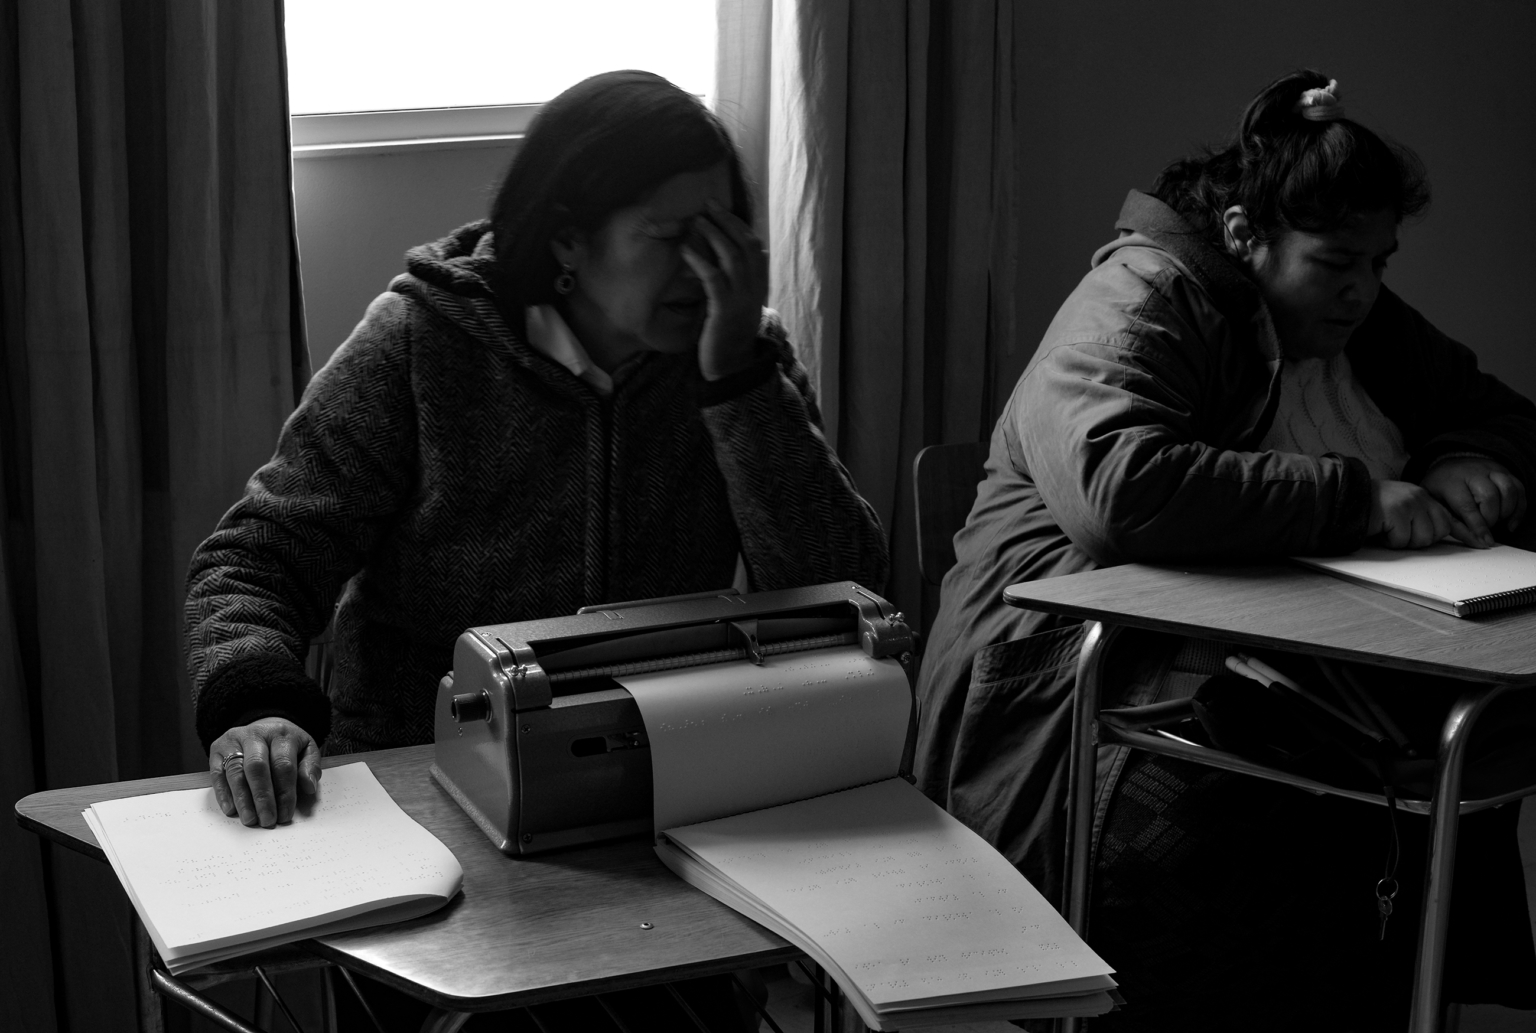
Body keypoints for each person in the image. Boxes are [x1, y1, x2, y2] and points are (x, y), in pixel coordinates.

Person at [184, 70, 888, 1030]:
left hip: (655, 810)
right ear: (567, 241)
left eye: (726, 233)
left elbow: (843, 586)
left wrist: (737, 385)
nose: (709, 267)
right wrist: (256, 702)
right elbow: (257, 556)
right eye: (673, 235)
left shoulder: (738, 352)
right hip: (428, 809)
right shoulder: (422, 343)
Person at [914, 70, 1536, 1031]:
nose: (1364, 290)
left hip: (1277, 655)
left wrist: (1465, 456)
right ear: (1245, 234)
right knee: (1280, 821)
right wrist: (1354, 498)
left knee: (1457, 746)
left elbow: (1501, 414)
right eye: (1338, 262)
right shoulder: (1135, 299)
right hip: (1065, 680)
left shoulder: (1354, 317)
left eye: (1380, 262)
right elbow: (1121, 488)